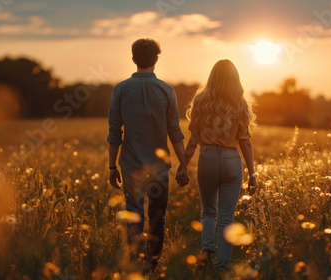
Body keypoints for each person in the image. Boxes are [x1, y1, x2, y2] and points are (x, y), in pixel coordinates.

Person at [107, 38, 190, 273]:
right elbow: (175, 132)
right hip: (159, 169)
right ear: (156, 59)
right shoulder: (166, 90)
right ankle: (152, 264)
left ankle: (137, 263)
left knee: (133, 215)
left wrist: (112, 167)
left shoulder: (120, 89)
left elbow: (115, 132)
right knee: (157, 217)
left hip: (130, 165)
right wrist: (183, 165)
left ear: (133, 59)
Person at [182, 59, 257, 273]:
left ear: (212, 76)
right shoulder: (239, 101)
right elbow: (245, 142)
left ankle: (206, 252)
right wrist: (252, 174)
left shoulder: (201, 99)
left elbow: (193, 139)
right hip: (231, 160)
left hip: (207, 158)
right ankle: (222, 266)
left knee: (208, 212)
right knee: (226, 218)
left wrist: (182, 166)